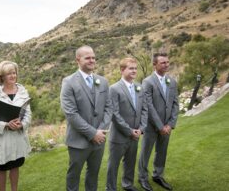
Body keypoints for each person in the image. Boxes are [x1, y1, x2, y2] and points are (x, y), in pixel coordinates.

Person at [60, 45, 112, 191]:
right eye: (87, 57)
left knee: (93, 174)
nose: (92, 60)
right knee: (74, 175)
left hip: (99, 139)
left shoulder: (103, 81)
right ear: (78, 59)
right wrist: (92, 133)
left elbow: (109, 108)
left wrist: (100, 131)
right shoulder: (68, 82)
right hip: (78, 141)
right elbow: (71, 113)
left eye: (93, 57)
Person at [0, 60, 31, 191]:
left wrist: (22, 124)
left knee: (15, 166)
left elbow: (28, 114)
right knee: (2, 168)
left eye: (14, 73)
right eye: (9, 73)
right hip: (1, 140)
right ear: (1, 76)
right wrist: (5, 125)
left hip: (18, 138)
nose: (12, 76)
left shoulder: (22, 91)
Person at [138, 53, 179, 191]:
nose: (166, 64)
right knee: (146, 152)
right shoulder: (147, 82)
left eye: (167, 62)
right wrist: (160, 126)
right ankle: (142, 177)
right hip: (151, 126)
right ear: (154, 64)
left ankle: (158, 175)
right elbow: (148, 105)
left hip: (167, 126)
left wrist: (170, 124)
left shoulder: (172, 82)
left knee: (162, 152)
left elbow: (175, 104)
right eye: (163, 62)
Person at [106, 57, 148, 191]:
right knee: (113, 165)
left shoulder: (139, 87)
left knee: (130, 162)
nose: (134, 71)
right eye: (131, 68)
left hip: (135, 134)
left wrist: (141, 129)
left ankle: (128, 184)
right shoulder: (114, 89)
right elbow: (114, 114)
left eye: (135, 68)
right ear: (122, 70)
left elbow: (144, 109)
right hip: (119, 136)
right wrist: (129, 131)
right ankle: (110, 188)